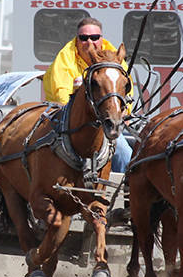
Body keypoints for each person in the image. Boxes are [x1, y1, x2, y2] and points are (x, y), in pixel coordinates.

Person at [42, 17, 132, 172]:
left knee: (125, 153)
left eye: (95, 37)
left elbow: (124, 91)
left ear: (101, 39)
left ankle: (126, 189)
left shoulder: (114, 60)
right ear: (77, 40)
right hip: (69, 120)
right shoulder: (64, 60)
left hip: (105, 120)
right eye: (84, 38)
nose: (89, 42)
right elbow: (61, 94)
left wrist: (124, 113)